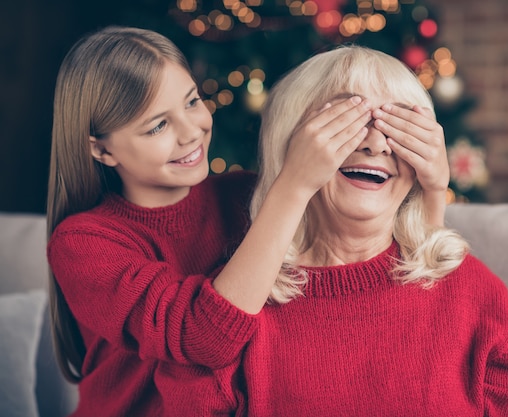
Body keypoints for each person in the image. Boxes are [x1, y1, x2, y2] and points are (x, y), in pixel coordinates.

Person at [46, 27, 449, 416]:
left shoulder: (244, 193)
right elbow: (203, 340)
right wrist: (293, 184)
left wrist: (432, 190)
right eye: (157, 126)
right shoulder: (82, 244)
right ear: (101, 150)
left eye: (191, 102)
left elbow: (384, 277)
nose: (191, 132)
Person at [237, 45, 508, 416]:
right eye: (350, 121)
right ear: (291, 144)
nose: (376, 144)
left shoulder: (471, 290)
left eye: (397, 127)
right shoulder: (239, 305)